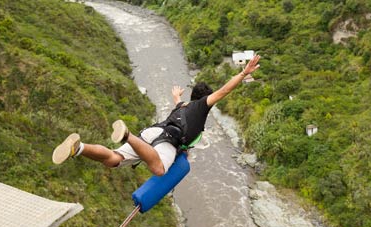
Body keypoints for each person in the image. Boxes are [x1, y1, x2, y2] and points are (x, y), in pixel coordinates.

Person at [52, 55, 261, 176]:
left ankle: (78, 148)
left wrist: (176, 96)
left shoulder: (182, 106)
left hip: (152, 132)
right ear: (205, 98)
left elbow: (178, 103)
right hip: (167, 141)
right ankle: (127, 136)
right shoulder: (201, 106)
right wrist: (243, 74)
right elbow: (224, 91)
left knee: (113, 159)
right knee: (159, 169)